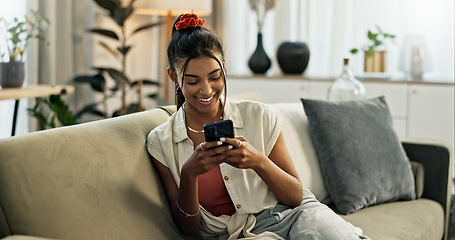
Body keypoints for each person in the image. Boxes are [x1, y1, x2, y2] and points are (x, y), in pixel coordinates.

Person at [147, 13, 369, 240]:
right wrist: (189, 174)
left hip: (291, 216)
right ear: (173, 76)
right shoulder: (161, 143)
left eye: (215, 77)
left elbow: (295, 197)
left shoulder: (259, 115)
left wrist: (258, 161)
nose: (206, 90)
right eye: (193, 81)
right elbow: (189, 229)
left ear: (224, 67)